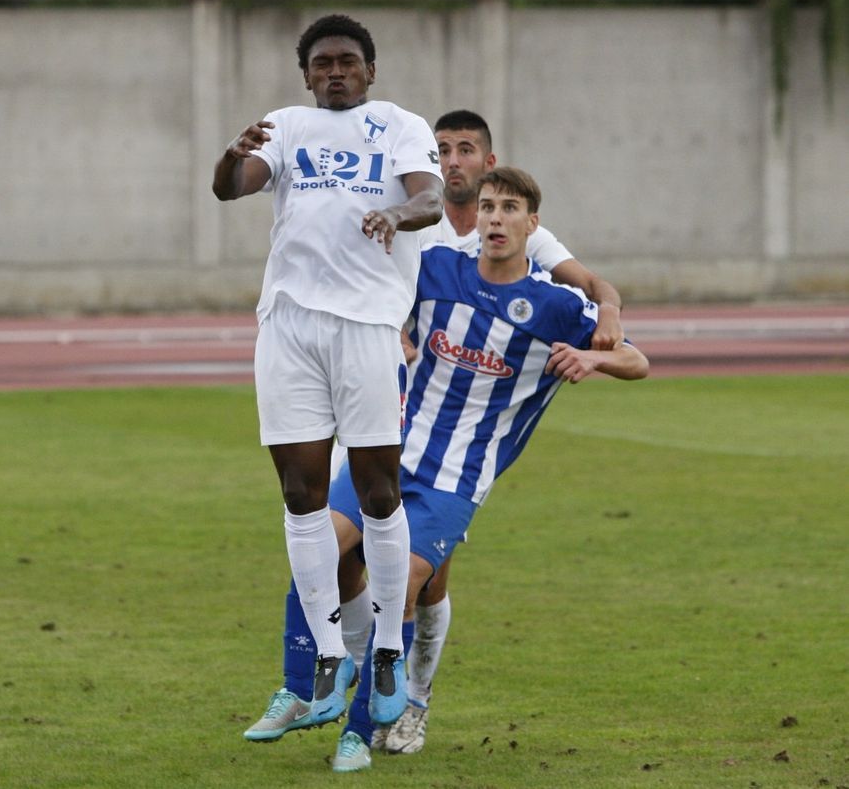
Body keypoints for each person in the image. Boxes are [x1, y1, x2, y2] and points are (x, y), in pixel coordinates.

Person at [243, 110, 629, 755]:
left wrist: (603, 330)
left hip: (459, 467)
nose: (453, 161)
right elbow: (370, 279)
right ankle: (326, 682)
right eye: (443, 149)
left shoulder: (530, 251)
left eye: (465, 150)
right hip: (392, 432)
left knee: (421, 586)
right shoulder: (430, 244)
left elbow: (594, 292)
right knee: (328, 553)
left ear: (490, 166)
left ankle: (409, 702)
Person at [213, 13, 443, 728]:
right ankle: (326, 651)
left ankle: (386, 646)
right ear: (306, 74)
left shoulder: (399, 124)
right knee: (299, 492)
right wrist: (230, 156)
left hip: (368, 325)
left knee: (378, 490)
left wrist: (396, 215)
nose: (335, 71)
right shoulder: (286, 127)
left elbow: (431, 198)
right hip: (288, 326)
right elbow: (232, 187)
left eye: (347, 61)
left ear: (369, 70)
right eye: (322, 63)